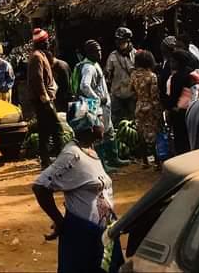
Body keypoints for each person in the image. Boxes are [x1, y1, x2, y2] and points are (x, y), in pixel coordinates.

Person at [32, 106, 114, 273]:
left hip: (102, 233)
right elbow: (40, 187)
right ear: (91, 127)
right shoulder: (72, 155)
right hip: (82, 235)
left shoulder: (91, 151)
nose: (103, 125)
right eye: (100, 121)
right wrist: (60, 221)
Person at [72, 39, 127, 171]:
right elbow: (84, 86)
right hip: (96, 106)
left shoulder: (94, 64)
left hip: (103, 105)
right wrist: (97, 98)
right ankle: (103, 163)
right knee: (100, 134)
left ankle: (113, 158)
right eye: (96, 51)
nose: (99, 53)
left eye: (100, 50)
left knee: (109, 130)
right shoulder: (88, 67)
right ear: (89, 52)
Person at [27, 29, 62, 168]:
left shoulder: (40, 55)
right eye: (46, 41)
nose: (48, 43)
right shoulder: (37, 57)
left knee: (44, 130)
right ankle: (59, 159)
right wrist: (45, 98)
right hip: (43, 100)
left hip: (43, 99)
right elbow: (37, 80)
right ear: (41, 43)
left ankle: (46, 161)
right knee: (57, 128)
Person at [165, 49, 199, 156]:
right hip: (193, 110)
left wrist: (169, 108)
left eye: (173, 61)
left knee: (181, 140)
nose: (171, 64)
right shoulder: (192, 73)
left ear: (178, 62)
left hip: (179, 113)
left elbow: (173, 97)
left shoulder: (177, 77)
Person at [131, 50, 162, 167]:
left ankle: (145, 161)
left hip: (139, 106)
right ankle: (157, 161)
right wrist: (158, 111)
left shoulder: (134, 75)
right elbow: (154, 95)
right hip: (150, 107)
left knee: (141, 134)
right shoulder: (152, 76)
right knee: (153, 134)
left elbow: (131, 90)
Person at [104, 27, 137, 125]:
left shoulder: (136, 54)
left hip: (132, 94)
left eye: (121, 40)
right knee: (116, 121)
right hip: (117, 94)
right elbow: (107, 74)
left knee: (133, 120)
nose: (118, 42)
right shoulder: (113, 56)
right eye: (117, 40)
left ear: (127, 40)